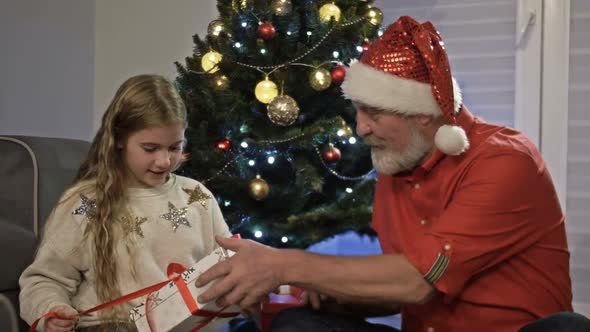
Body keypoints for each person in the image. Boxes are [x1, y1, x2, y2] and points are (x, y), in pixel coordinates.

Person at [194, 16, 581, 332]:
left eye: (374, 113)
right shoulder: (397, 165)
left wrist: (279, 264)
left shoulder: (505, 162)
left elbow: (419, 279)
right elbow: (409, 293)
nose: (361, 129)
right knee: (299, 325)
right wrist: (338, 296)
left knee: (565, 329)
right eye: (359, 112)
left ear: (424, 113)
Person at [19, 74, 232, 331]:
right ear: (119, 139)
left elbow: (228, 269)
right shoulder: (85, 203)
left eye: (174, 148)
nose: (164, 161)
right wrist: (51, 311)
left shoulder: (198, 197)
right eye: (150, 148)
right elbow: (44, 280)